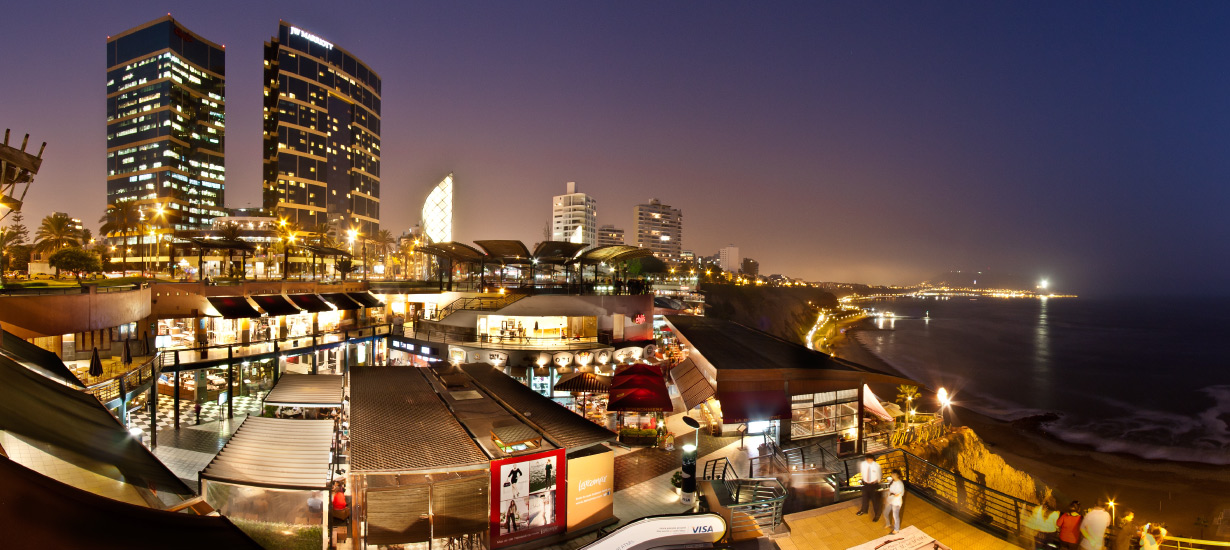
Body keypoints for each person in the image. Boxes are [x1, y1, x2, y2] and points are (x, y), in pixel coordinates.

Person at [855, 454, 883, 521]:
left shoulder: (876, 466)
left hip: (873, 484)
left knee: (875, 500)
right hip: (865, 483)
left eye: (870, 460)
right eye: (868, 460)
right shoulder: (863, 464)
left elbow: (879, 475)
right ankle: (864, 510)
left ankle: (877, 514)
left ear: (873, 460)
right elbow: (863, 472)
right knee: (865, 498)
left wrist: (877, 482)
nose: (869, 461)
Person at [883, 468, 905, 534]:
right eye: (892, 474)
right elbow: (890, 489)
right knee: (885, 513)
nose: (892, 475)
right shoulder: (892, 481)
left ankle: (896, 529)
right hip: (890, 500)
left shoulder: (900, 484)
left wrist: (893, 494)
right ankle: (888, 523)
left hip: (896, 502)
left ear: (897, 475)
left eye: (893, 474)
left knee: (895, 516)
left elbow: (901, 493)